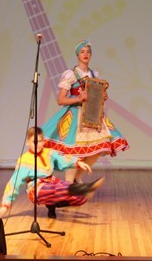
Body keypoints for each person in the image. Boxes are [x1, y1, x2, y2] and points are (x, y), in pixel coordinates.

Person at [42, 40, 129, 183]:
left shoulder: (94, 74)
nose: (85, 54)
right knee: (74, 152)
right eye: (82, 52)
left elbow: (98, 95)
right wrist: (78, 98)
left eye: (88, 52)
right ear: (77, 55)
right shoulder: (71, 74)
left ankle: (77, 177)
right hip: (76, 115)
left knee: (98, 149)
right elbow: (61, 100)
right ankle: (69, 184)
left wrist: (102, 96)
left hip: (92, 115)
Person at [0, 127, 103, 219]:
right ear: (28, 143)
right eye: (34, 142)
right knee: (56, 189)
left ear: (43, 142)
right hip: (36, 188)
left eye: (40, 141)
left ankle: (53, 205)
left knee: (78, 197)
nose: (37, 144)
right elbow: (14, 182)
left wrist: (78, 162)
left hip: (51, 182)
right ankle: (84, 188)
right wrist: (6, 204)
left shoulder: (49, 153)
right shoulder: (24, 160)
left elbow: (63, 159)